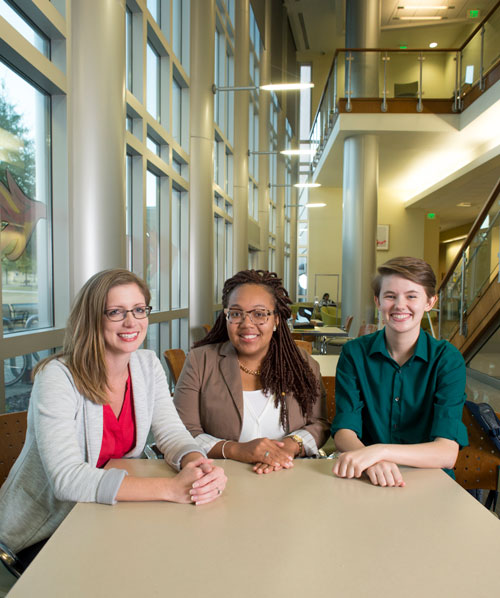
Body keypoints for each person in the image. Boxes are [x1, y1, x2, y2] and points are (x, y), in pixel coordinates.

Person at [0, 269, 226, 568]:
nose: (131, 321)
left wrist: (197, 465)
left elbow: (171, 433)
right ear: (93, 317)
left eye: (139, 309)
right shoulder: (58, 377)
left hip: (106, 516)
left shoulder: (147, 365)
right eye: (116, 312)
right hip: (42, 535)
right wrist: (171, 489)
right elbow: (67, 480)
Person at [174, 269, 329, 474]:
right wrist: (237, 450)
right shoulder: (200, 361)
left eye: (259, 314)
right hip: (219, 478)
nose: (247, 324)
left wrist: (291, 446)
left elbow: (319, 423)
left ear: (276, 320)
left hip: (291, 478)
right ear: (226, 317)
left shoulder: (302, 363)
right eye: (236, 314)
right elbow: (182, 431)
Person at [331, 257, 468, 487]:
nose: (399, 305)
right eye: (390, 296)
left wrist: (378, 452)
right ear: (377, 301)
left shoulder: (447, 359)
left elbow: (446, 452)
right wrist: (372, 461)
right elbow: (344, 431)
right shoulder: (354, 354)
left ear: (430, 302)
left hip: (430, 482)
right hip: (367, 479)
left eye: (412, 296)